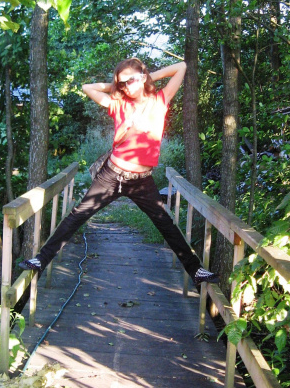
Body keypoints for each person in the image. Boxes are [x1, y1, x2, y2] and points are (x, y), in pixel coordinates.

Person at [19, 57, 219, 288]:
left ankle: (196, 271)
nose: (126, 87)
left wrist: (146, 78)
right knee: (77, 215)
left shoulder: (159, 100)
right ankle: (40, 260)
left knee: (165, 223)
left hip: (142, 181)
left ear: (143, 77)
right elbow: (87, 88)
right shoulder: (119, 104)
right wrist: (118, 85)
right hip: (111, 175)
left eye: (130, 81)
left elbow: (182, 66)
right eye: (121, 84)